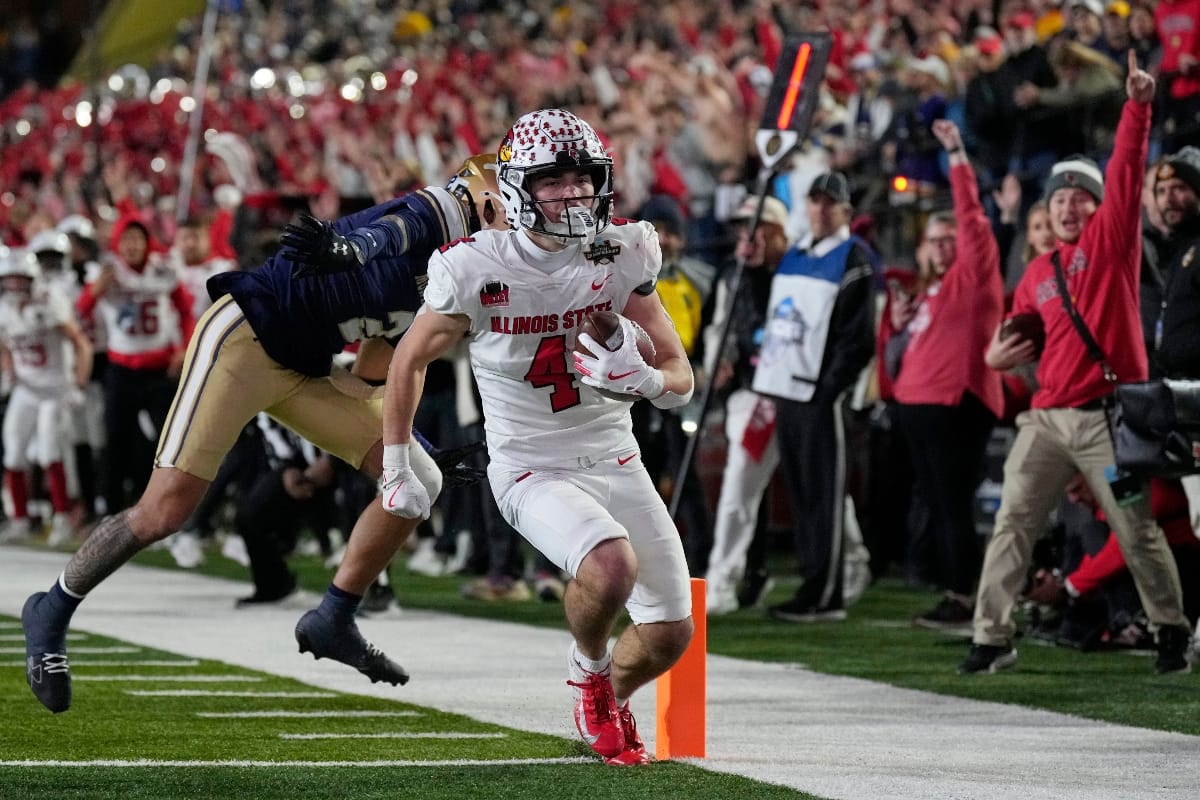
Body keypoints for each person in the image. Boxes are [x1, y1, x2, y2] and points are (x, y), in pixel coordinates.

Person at [20, 156, 496, 714]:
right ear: (487, 196)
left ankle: (334, 616)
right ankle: (51, 610)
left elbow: (374, 372)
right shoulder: (446, 212)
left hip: (308, 367)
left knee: (421, 479)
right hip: (246, 337)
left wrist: (417, 445)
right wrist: (355, 247)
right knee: (164, 512)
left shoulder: (467, 281)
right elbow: (399, 226)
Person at [379, 108, 695, 766]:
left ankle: (607, 699)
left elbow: (679, 376)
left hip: (616, 455)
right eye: (553, 180)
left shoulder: (621, 250)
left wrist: (644, 380)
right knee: (610, 566)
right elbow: (408, 358)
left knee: (671, 633)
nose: (574, 193)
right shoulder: (475, 266)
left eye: (583, 178)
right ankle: (588, 672)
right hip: (530, 465)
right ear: (517, 188)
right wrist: (397, 460)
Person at [962, 53, 1192, 676]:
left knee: (1136, 530)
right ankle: (990, 636)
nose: (1067, 207)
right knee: (1012, 522)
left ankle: (1171, 629)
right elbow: (1016, 344)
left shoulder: (1111, 244)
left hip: (1104, 421)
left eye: (1079, 198)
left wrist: (1138, 107)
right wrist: (993, 357)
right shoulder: (1036, 272)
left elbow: (1125, 171)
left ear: (1099, 208)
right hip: (1046, 420)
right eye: (1058, 197)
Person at [880, 120, 1005, 630]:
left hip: (956, 405)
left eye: (950, 238)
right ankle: (949, 585)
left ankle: (962, 595)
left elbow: (972, 219)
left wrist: (955, 155)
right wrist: (897, 324)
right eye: (933, 240)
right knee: (937, 504)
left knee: (952, 505)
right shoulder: (927, 291)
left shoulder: (973, 277)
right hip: (917, 406)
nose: (942, 246)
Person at [752, 171, 877, 623]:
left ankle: (826, 593)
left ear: (846, 210)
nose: (820, 210)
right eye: (815, 201)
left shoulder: (853, 259)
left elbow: (858, 339)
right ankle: (812, 582)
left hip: (820, 395)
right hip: (788, 388)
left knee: (824, 495)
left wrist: (829, 390)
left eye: (829, 203)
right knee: (803, 494)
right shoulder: (796, 255)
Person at [702, 195, 791, 615]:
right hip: (753, 393)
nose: (748, 236)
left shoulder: (796, 270)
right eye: (743, 228)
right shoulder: (731, 274)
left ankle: (851, 563)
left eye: (758, 228)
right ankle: (723, 580)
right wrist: (716, 361)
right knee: (739, 485)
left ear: (779, 233)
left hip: (797, 394)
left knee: (816, 486)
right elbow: (717, 326)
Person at [0, 250, 92, 545]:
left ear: (32, 279)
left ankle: (63, 518)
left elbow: (81, 343)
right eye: (10, 279)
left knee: (50, 452)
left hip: (55, 389)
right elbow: (4, 345)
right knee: (13, 453)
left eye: (20, 279)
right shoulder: (4, 308)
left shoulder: (48, 301)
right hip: (26, 389)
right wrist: (9, 370)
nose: (15, 286)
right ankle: (20, 520)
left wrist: (78, 383)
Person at [1149, 146, 1200, 533]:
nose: (1169, 199)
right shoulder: (1182, 250)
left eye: (1180, 188)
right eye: (1162, 191)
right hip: (1184, 403)